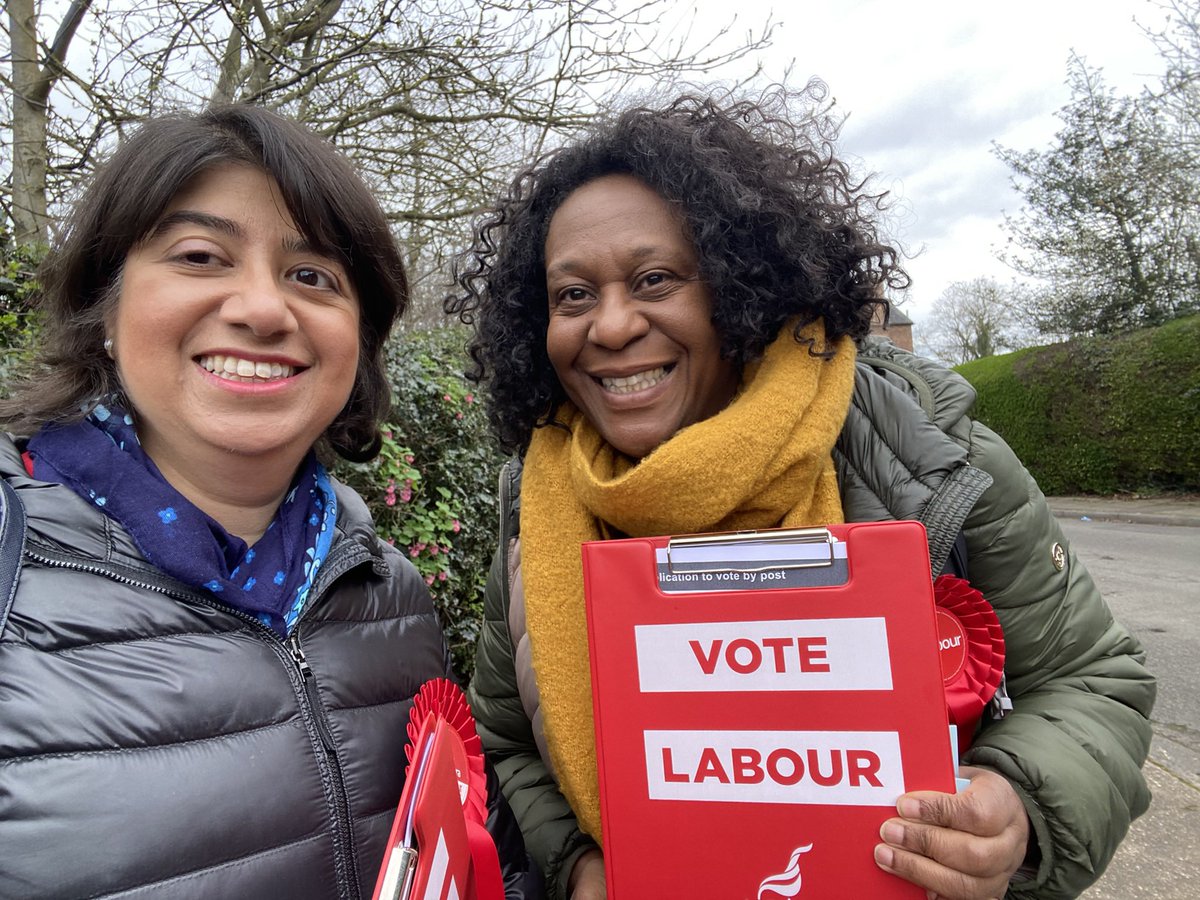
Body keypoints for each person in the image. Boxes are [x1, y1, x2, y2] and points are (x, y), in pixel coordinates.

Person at [446, 89, 1155, 900]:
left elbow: (1095, 678)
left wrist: (1019, 803)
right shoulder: (530, 503)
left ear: (739, 285)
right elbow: (505, 742)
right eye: (572, 295)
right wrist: (580, 863)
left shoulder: (922, 450)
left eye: (654, 279)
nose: (609, 327)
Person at [0, 105, 539, 899]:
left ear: (357, 341)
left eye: (313, 276)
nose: (261, 309)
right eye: (200, 256)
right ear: (105, 309)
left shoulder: (389, 593)